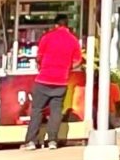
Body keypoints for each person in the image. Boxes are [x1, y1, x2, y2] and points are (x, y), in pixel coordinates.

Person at [29, 16, 82, 148]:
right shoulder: (73, 40)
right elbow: (78, 61)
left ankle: (31, 141)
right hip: (61, 81)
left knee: (37, 110)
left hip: (43, 79)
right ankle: (52, 140)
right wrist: (67, 68)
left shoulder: (47, 37)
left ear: (56, 25)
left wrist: (43, 66)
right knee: (56, 111)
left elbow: (39, 57)